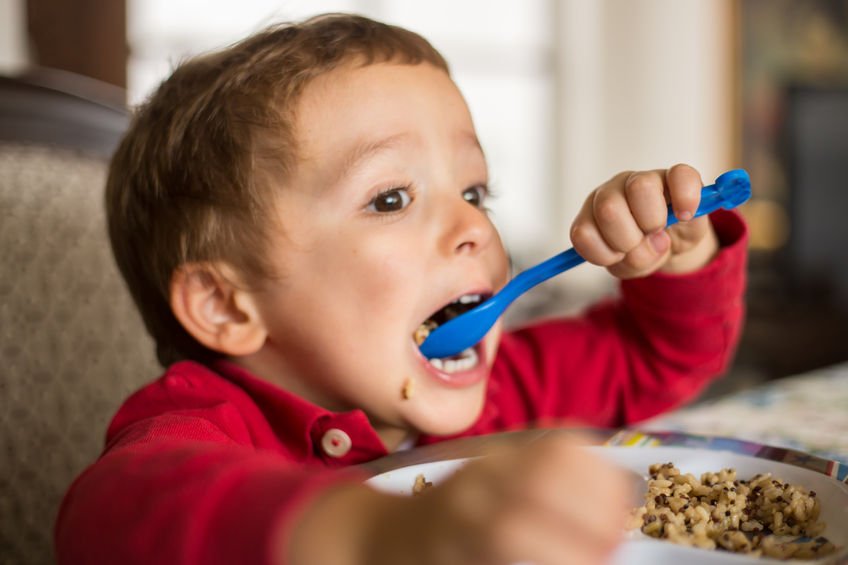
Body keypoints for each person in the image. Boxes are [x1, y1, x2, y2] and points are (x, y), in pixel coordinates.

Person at [54, 13, 747, 565]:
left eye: (474, 190)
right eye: (390, 199)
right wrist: (379, 535)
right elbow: (111, 515)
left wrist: (680, 255)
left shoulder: (506, 392)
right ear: (227, 304)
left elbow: (654, 355)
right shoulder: (204, 428)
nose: (475, 223)